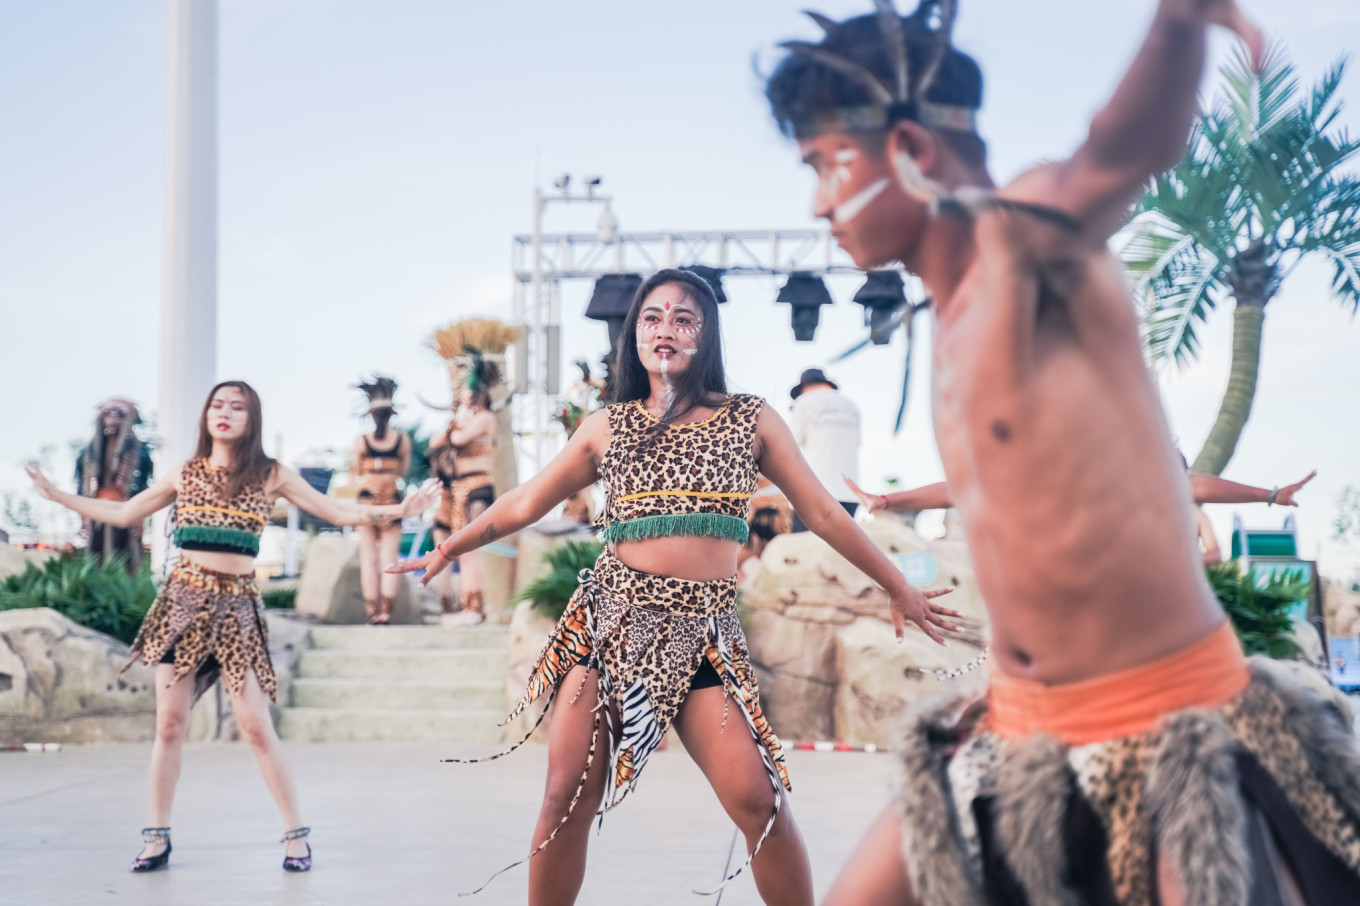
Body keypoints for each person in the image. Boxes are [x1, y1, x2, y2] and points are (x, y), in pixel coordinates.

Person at [765, 2, 1359, 904]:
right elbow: (1010, 488)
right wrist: (895, 506)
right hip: (1019, 725)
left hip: (1164, 723)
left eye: (823, 166)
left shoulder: (1024, 238)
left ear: (913, 149)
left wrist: (1177, 24)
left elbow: (1116, 153)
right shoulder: (950, 316)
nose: (814, 203)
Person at [391, 268, 957, 905]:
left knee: (759, 799)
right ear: (634, 333)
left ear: (706, 334)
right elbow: (522, 502)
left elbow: (824, 513)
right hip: (610, 625)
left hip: (702, 636)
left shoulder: (751, 419)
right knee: (564, 794)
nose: (665, 328)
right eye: (652, 317)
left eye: (683, 317)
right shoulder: (607, 425)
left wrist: (895, 585)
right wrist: (449, 546)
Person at [27, 380, 432, 874]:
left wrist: (398, 510)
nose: (225, 413)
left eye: (237, 407)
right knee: (170, 725)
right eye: (217, 405)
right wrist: (55, 495)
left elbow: (338, 510)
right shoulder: (185, 472)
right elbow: (123, 510)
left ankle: (295, 835)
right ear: (206, 416)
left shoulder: (270, 474)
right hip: (181, 605)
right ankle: (157, 836)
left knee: (256, 727)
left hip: (237, 609)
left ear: (251, 418)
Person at [426, 352, 499, 626]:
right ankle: (460, 605)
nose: (466, 399)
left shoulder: (486, 419)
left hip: (477, 487)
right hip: (457, 490)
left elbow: (456, 439)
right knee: (458, 550)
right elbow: (435, 443)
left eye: (470, 394)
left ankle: (474, 607)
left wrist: (452, 429)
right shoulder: (467, 419)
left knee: (471, 550)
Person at [351, 375, 411, 624]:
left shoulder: (362, 441)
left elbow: (355, 472)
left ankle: (375, 612)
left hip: (373, 501)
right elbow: (402, 472)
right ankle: (382, 612)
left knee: (372, 558)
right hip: (389, 501)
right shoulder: (401, 441)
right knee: (386, 558)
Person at [74, 398, 154, 573]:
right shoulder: (89, 452)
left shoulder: (138, 451)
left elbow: (142, 486)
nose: (113, 418)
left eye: (119, 414)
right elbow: (82, 486)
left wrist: (138, 516)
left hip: (125, 510)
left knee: (125, 559)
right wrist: (83, 515)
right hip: (95, 511)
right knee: (95, 558)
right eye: (108, 413)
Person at [788, 368, 861, 531]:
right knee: (841, 552)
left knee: (804, 549)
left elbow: (791, 444)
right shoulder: (851, 406)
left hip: (814, 492)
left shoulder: (804, 401)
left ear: (804, 387)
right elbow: (856, 444)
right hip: (849, 493)